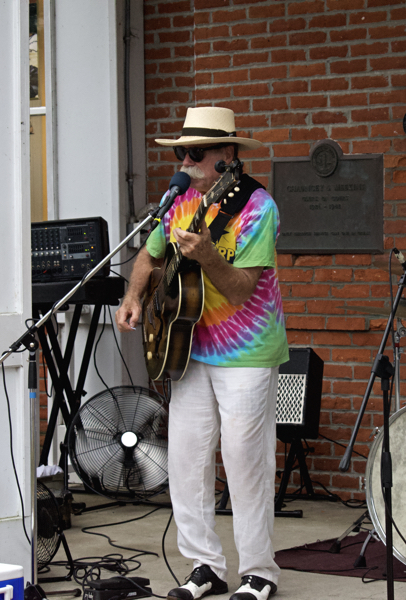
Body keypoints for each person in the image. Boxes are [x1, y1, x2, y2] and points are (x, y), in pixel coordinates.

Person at [115, 106, 289, 600]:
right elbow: (150, 255)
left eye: (196, 151)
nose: (186, 160)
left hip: (247, 352)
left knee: (244, 459)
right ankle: (204, 566)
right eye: (181, 151)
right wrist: (134, 297)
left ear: (228, 155)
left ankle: (259, 571)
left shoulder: (257, 207)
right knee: (188, 459)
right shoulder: (179, 201)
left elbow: (238, 291)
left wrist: (208, 254)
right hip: (186, 347)